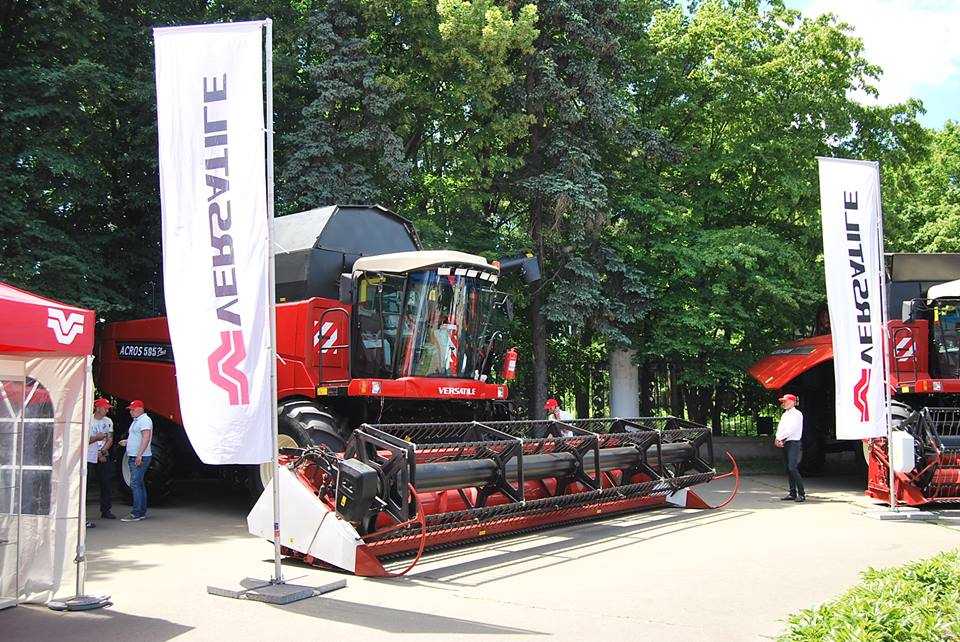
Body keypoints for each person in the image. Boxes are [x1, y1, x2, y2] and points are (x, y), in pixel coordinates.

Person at [118, 400, 152, 521]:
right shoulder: (137, 421)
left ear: (140, 409)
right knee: (138, 483)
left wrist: (139, 455)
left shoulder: (144, 420)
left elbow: (146, 438)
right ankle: (141, 511)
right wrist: (128, 442)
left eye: (133, 409)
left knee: (135, 483)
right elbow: (139, 438)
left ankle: (136, 513)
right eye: (130, 410)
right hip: (135, 455)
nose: (131, 412)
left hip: (139, 456)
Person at [86, 398, 116, 526]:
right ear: (97, 408)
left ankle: (106, 509)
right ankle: (83, 513)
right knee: (87, 483)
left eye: (108, 408)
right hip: (89, 455)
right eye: (105, 408)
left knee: (106, 482)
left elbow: (110, 438)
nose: (107, 410)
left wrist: (103, 451)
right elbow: (84, 440)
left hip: (103, 454)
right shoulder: (88, 421)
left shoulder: (108, 421)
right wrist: (97, 438)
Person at [774, 393, 805, 502]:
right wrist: (778, 438)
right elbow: (780, 428)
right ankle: (792, 493)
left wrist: (780, 438)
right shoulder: (785, 415)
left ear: (792, 402)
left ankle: (801, 494)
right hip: (786, 442)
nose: (784, 403)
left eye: (785, 401)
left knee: (792, 467)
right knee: (788, 468)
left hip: (794, 443)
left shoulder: (797, 414)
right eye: (783, 401)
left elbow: (791, 429)